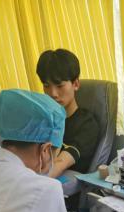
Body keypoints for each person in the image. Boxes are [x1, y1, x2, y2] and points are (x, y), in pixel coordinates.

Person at [36, 48, 100, 177]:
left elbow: (60, 164)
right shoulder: (43, 120)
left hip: (62, 185)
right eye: (46, 85)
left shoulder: (87, 124)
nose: (53, 94)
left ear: (75, 84)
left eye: (59, 86)